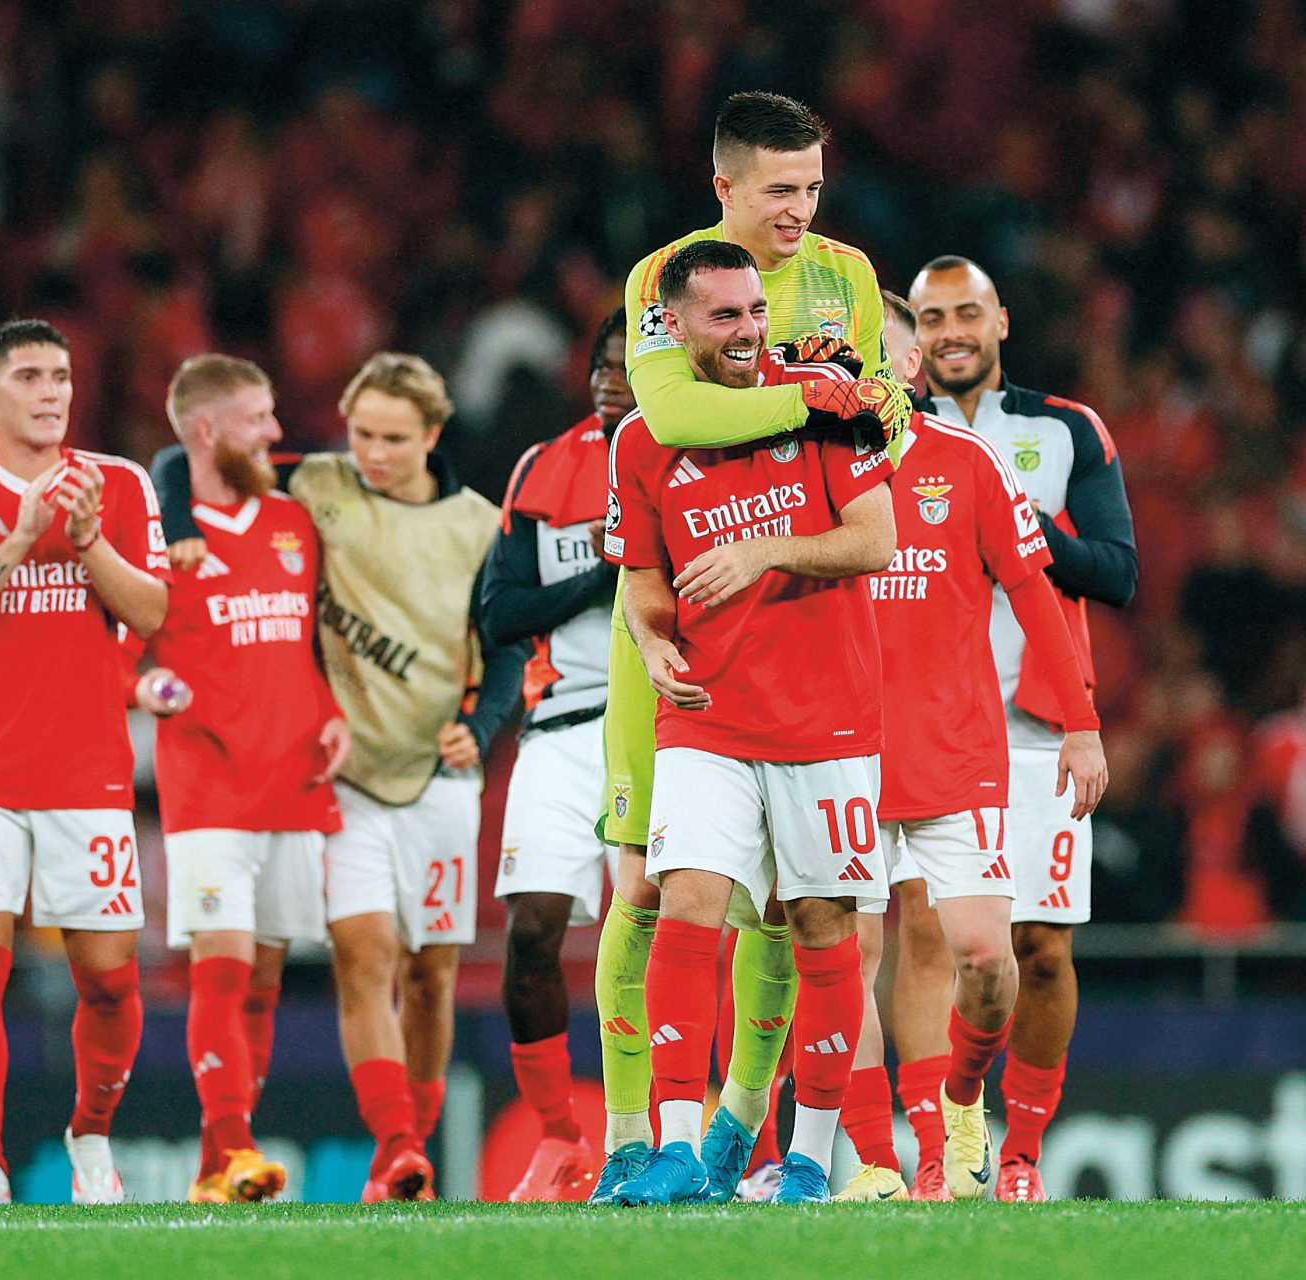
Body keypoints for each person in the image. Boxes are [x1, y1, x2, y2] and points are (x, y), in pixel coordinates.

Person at [591, 90, 911, 1204]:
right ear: (722, 189)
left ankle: (783, 1143)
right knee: (660, 890)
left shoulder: (850, 278)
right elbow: (671, 422)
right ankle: (649, 1139)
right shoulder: (660, 285)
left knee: (813, 920)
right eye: (781, 190)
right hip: (696, 675)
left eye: (815, 187)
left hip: (821, 666)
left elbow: (882, 435)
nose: (802, 211)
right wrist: (813, 400)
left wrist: (839, 419)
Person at [152, 353, 526, 1202]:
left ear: (434, 435)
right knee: (366, 956)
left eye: (394, 438)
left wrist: (480, 722)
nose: (373, 454)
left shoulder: (477, 523)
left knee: (431, 973)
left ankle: (413, 1153)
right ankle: (395, 1147)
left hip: (435, 771)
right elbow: (186, 452)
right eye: (361, 433)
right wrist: (175, 511)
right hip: (342, 774)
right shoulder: (318, 482)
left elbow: (503, 639)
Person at [835, 293, 1107, 1203]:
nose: (862, 362)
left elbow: (1035, 594)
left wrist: (1081, 724)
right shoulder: (809, 463)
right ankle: (890, 1162)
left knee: (989, 962)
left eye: (880, 348)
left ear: (910, 364)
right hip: (840, 752)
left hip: (959, 753)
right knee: (851, 956)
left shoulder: (969, 462)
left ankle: (960, 1098)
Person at [0, 319, 170, 1206]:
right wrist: (17, 540)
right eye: (29, 376)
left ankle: (90, 1135)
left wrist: (87, 541)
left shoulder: (122, 485)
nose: (51, 391)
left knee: (109, 980)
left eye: (60, 375)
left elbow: (157, 614)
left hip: (88, 771)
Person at [908, 256, 1138, 1201]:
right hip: (924, 725)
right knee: (931, 943)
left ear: (1002, 321)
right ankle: (934, 1146)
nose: (952, 331)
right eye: (932, 318)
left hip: (1036, 723)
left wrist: (1018, 534)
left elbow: (1118, 573)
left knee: (1041, 951)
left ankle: (1021, 1154)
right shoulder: (887, 434)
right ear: (912, 335)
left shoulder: (1065, 429)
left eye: (968, 313)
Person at [124, 354, 350, 1203]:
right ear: (206, 429)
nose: (277, 431)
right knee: (220, 970)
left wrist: (329, 709)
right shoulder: (156, 541)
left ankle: (217, 1170)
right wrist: (145, 688)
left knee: (261, 978)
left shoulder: (295, 519)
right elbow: (111, 660)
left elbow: (305, 642)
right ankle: (235, 1145)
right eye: (259, 417)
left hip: (294, 783)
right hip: (208, 788)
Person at [475, 309, 629, 1201]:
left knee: (655, 940)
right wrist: (599, 579)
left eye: (626, 368)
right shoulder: (545, 467)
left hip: (658, 724)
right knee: (532, 929)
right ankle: (559, 1137)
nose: (611, 383)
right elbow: (500, 614)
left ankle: (673, 1136)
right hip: (561, 723)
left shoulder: (690, 461)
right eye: (601, 368)